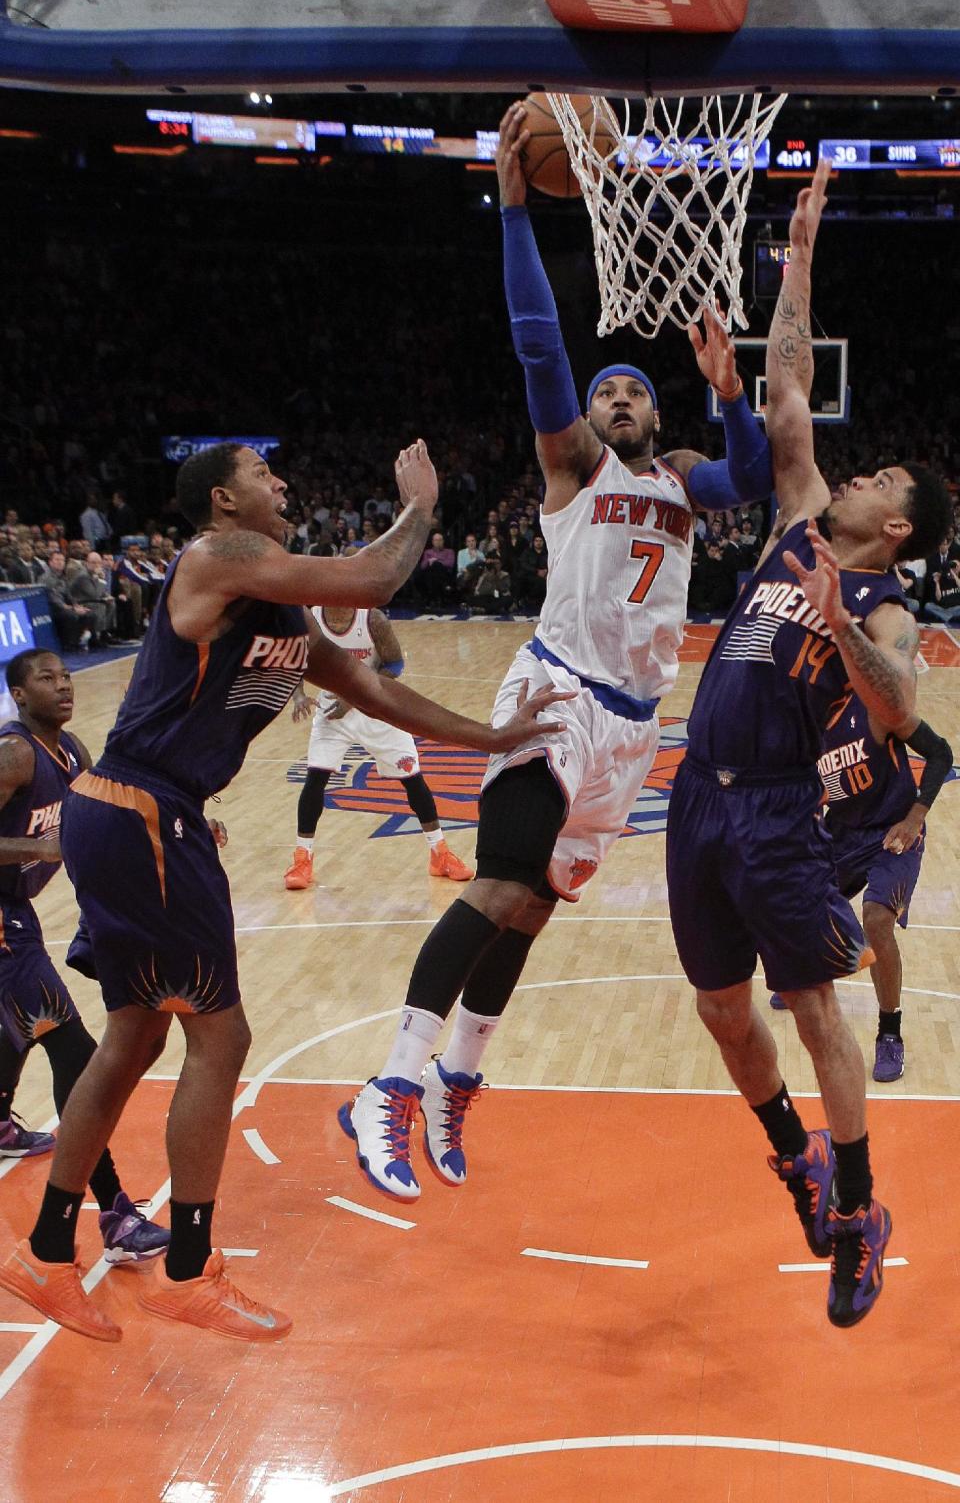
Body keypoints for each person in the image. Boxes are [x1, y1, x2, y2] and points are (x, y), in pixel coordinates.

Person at [0, 437, 565, 1344]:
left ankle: (44, 1249)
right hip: (145, 809)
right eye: (266, 475)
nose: (284, 483)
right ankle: (187, 1268)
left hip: (135, 811)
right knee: (221, 1034)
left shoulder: (280, 611)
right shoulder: (216, 557)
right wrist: (419, 505)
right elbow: (376, 577)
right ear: (224, 499)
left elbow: (371, 689)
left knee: (138, 1034)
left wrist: (491, 739)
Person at [337, 99, 778, 1208]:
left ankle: (455, 1081)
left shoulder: (682, 476)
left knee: (531, 907)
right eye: (604, 391)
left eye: (633, 388)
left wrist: (731, 397)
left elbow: (757, 478)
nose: (617, 397)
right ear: (583, 420)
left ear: (654, 410)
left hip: (634, 727)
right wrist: (514, 205)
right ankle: (386, 1083)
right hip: (554, 698)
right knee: (495, 885)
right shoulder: (575, 470)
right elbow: (540, 345)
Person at [664, 161, 953, 1328]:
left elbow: (899, 706)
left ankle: (860, 1213)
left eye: (882, 476)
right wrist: (798, 249)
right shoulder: (796, 518)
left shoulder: (883, 605)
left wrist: (846, 629)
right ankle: (795, 1158)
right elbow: (788, 384)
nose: (860, 464)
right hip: (695, 794)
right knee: (721, 1013)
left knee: (814, 1009)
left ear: (896, 527)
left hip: (779, 811)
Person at [0, 650, 170, 1268]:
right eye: (46, 679)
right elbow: (48, 842)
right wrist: (38, 847)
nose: (62, 686)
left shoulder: (70, 750)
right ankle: (116, 1215)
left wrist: (182, 827)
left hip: (16, 915)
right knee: (74, 1051)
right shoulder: (14, 753)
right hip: (0, 925)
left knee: (23, 1025)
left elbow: (104, 812)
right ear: (18, 695)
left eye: (66, 676)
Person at [771, 700, 952, 1084]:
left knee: (876, 920)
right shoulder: (801, 726)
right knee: (801, 901)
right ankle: (809, 972)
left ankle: (890, 1033)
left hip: (895, 832)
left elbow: (941, 753)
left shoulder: (875, 707)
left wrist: (915, 816)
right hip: (844, 832)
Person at [284, 569, 475, 888]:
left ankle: (439, 853)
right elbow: (295, 661)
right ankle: (302, 859)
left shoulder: (372, 620)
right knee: (315, 779)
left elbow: (395, 666)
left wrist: (357, 695)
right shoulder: (312, 619)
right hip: (333, 712)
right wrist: (300, 695)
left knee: (413, 781)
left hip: (381, 707)